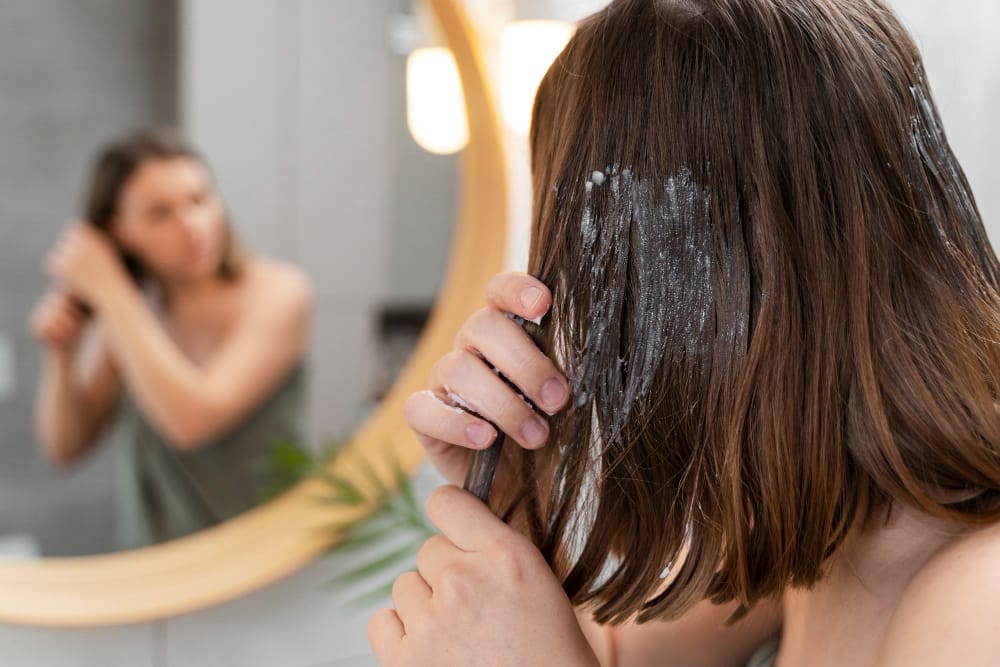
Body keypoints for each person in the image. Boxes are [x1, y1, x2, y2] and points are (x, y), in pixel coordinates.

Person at [370, 0, 1000, 665]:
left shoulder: (978, 604)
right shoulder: (825, 537)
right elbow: (604, 653)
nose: (580, 325)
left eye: (597, 273)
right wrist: (518, 509)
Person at [30, 128, 313, 550]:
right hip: (163, 568)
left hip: (269, 556)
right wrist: (63, 353)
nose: (194, 225)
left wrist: (109, 288)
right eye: (160, 214)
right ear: (121, 232)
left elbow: (192, 421)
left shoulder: (279, 291)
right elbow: (66, 448)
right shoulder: (128, 318)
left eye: (199, 199)